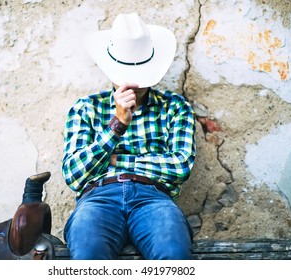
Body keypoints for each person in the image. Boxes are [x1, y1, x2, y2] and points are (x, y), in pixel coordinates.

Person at [61, 13, 196, 260]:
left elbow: (180, 165)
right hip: (98, 198)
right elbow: (73, 174)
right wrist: (117, 124)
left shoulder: (175, 107)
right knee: (88, 257)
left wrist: (115, 161)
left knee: (174, 255)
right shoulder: (87, 107)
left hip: (154, 198)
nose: (133, 83)